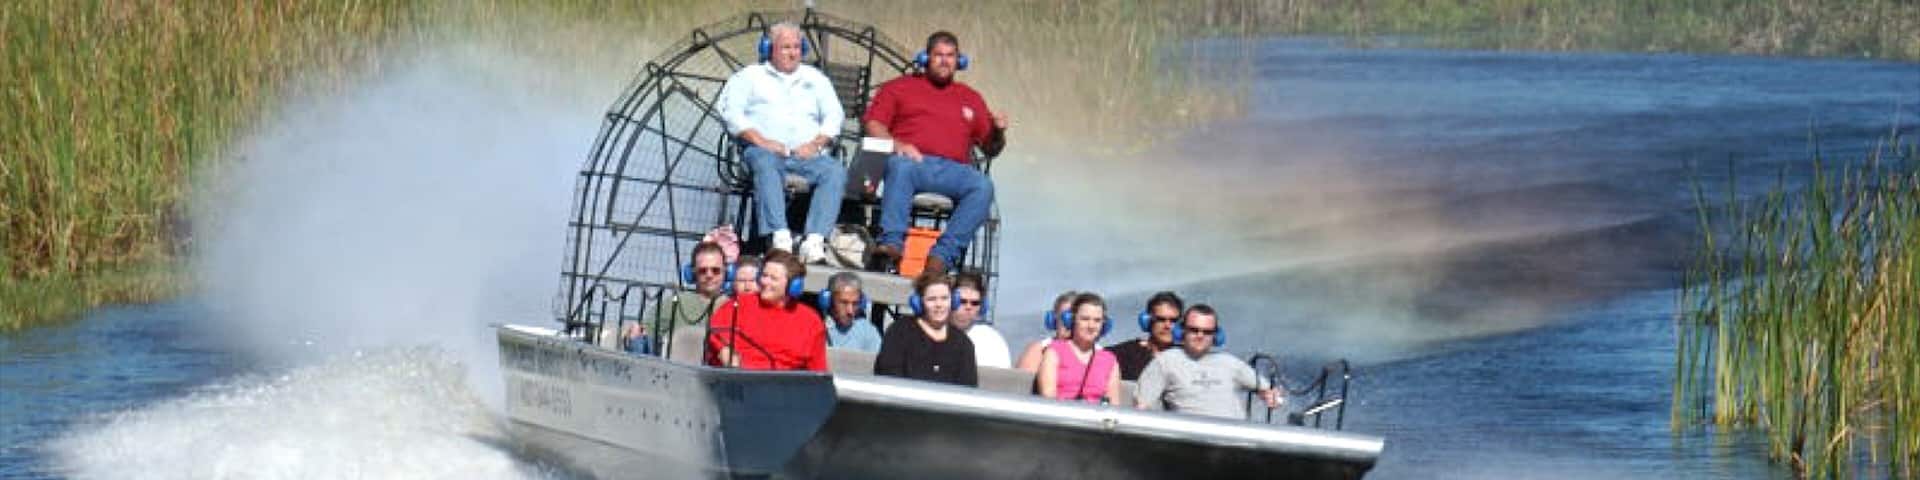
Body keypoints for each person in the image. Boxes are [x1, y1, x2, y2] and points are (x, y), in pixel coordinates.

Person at [864, 31, 1009, 275]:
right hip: (912, 163)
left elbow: (990, 148)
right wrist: (897, 145)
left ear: (959, 61)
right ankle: (892, 244)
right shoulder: (899, 88)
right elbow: (873, 124)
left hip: (954, 170)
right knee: (900, 167)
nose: (944, 61)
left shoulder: (971, 98)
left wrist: (998, 131)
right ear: (925, 58)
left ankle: (941, 258)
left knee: (983, 186)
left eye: (950, 56)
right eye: (938, 55)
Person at [717, 21, 846, 263]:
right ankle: (780, 236)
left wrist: (816, 143)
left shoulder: (816, 79)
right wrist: (762, 141)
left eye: (797, 47)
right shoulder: (749, 77)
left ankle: (814, 240)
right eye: (786, 47)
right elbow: (731, 113)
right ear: (769, 48)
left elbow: (834, 115)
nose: (792, 53)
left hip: (805, 156)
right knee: (765, 163)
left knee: (834, 171)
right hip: (763, 152)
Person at [1134, 304, 1282, 419]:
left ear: (1216, 336)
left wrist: (1271, 396)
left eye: (1207, 332)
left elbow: (1270, 391)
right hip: (1189, 442)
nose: (1200, 335)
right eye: (1194, 330)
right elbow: (1141, 407)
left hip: (1237, 439)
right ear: (1182, 331)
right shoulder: (1165, 361)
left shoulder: (1229, 362)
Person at [705, 250, 828, 371]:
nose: (764, 282)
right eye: (763, 275)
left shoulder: (811, 321)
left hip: (782, 386)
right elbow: (716, 334)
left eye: (773, 278)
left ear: (793, 286)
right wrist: (725, 350)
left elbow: (817, 372)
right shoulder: (739, 304)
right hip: (736, 381)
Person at [618, 241, 731, 361]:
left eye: (715, 270)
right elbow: (647, 331)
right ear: (691, 274)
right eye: (703, 271)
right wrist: (635, 332)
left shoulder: (735, 308)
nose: (709, 275)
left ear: (727, 272)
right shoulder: (677, 302)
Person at [874, 272, 978, 386]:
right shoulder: (899, 332)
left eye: (944, 298)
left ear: (953, 301)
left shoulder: (963, 344)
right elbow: (889, 377)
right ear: (919, 302)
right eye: (932, 299)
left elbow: (967, 389)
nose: (939, 304)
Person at [1037, 293, 1122, 404]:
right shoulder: (1054, 351)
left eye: (1097, 320)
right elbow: (1048, 398)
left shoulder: (1110, 361)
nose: (1091, 326)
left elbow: (1113, 405)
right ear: (1072, 320)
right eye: (1085, 319)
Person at [1107, 291, 1182, 381]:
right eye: (1161, 319)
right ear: (1147, 321)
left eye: (1173, 321)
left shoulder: (1187, 356)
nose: (1167, 326)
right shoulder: (1126, 353)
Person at [951, 272, 1010, 368]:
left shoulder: (992, 341)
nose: (968, 307)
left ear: (982, 307)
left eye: (975, 303)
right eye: (962, 301)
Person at [1015, 291, 1079, 372]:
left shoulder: (1096, 353)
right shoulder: (1039, 351)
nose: (1070, 324)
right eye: (1066, 318)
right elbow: (1020, 382)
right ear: (1053, 320)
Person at [821, 272, 882, 352]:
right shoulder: (816, 328)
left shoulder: (867, 331)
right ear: (829, 301)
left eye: (855, 304)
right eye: (844, 303)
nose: (850, 311)